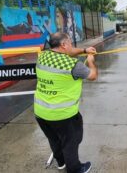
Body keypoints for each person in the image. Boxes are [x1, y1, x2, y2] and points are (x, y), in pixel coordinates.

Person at [34, 32, 97, 173]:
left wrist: (84, 50)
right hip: (63, 115)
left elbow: (68, 53)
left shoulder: (42, 56)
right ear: (63, 45)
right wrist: (91, 61)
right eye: (69, 43)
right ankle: (75, 169)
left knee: (54, 139)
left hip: (41, 113)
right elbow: (93, 76)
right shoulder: (73, 65)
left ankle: (61, 162)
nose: (71, 45)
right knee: (71, 141)